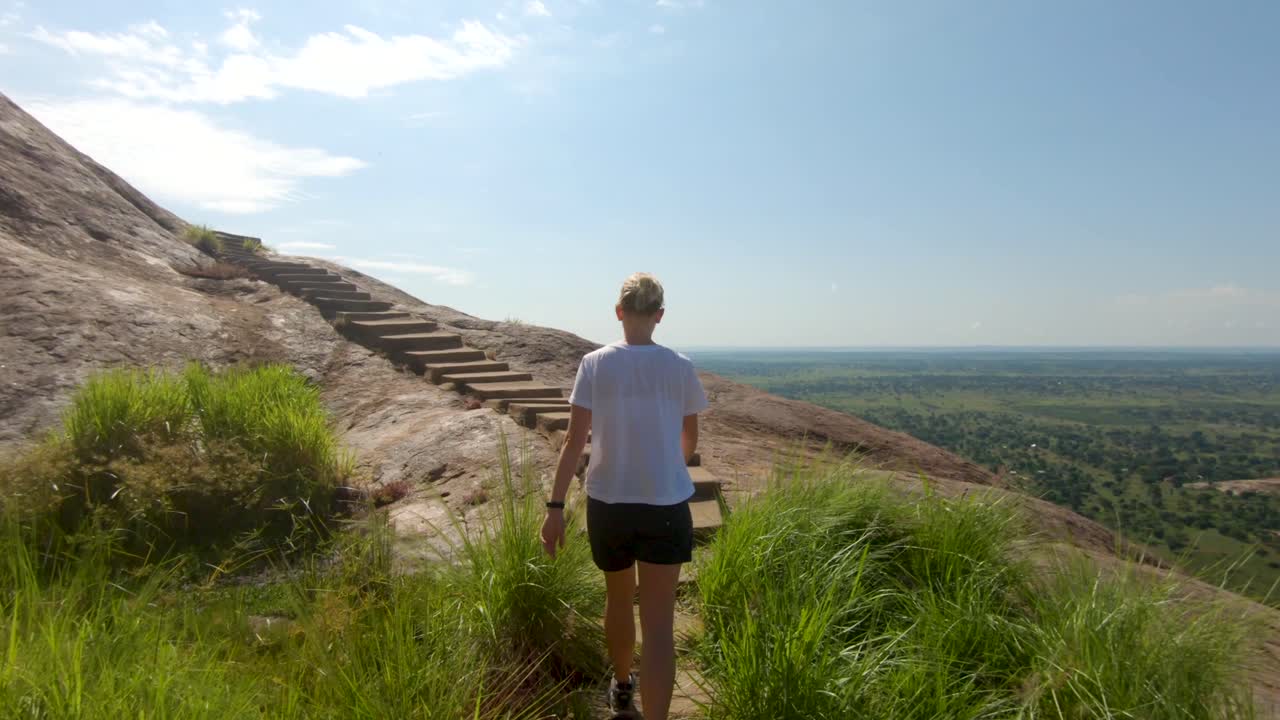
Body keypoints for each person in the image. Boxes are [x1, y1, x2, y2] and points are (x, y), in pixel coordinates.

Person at [541, 272, 708, 720]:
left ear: (619, 312)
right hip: (666, 505)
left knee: (617, 600)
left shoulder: (594, 364)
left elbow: (574, 442)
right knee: (659, 626)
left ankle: (620, 686)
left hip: (609, 503)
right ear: (659, 316)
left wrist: (555, 509)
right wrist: (665, 466)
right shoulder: (680, 366)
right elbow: (688, 438)